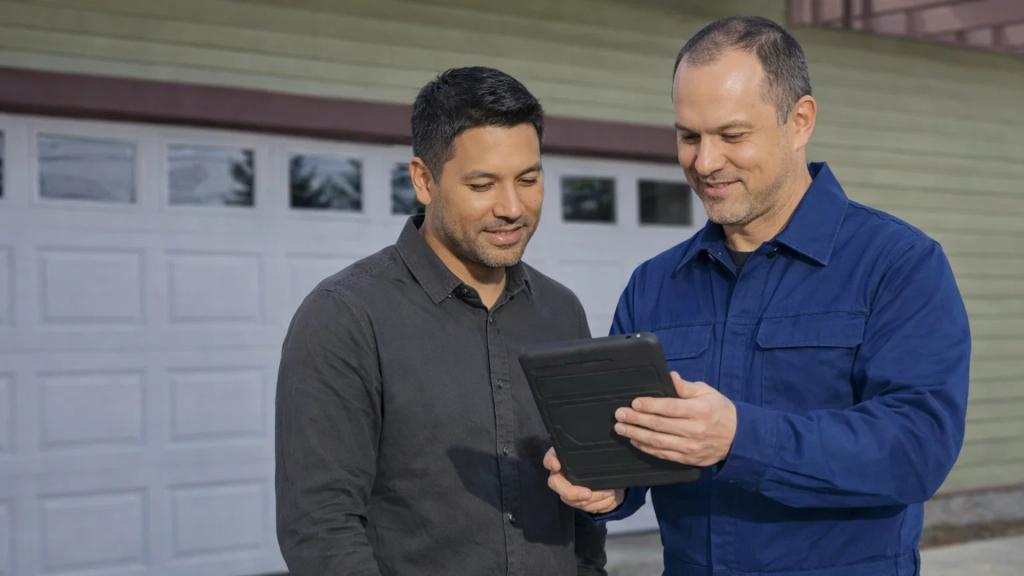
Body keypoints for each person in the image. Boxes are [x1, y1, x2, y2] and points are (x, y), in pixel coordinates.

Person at [545, 16, 970, 576]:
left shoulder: (897, 264)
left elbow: (917, 448)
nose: (704, 162)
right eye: (689, 136)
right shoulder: (655, 284)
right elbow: (634, 449)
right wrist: (605, 487)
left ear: (800, 121)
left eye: (732, 135)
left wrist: (740, 438)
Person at [276, 66, 607, 575]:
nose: (512, 207)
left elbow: (584, 500)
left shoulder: (562, 311)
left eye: (528, 179)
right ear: (423, 180)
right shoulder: (344, 317)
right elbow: (321, 529)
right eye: (482, 184)